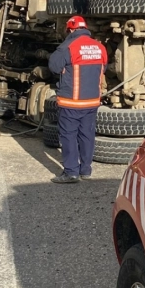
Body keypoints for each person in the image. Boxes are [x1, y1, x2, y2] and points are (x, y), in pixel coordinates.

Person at [48, 16, 107, 183]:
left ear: (71, 30)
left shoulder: (68, 47)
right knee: (87, 134)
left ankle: (71, 172)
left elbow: (54, 66)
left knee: (68, 136)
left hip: (72, 102)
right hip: (92, 101)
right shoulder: (99, 47)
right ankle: (85, 170)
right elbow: (104, 67)